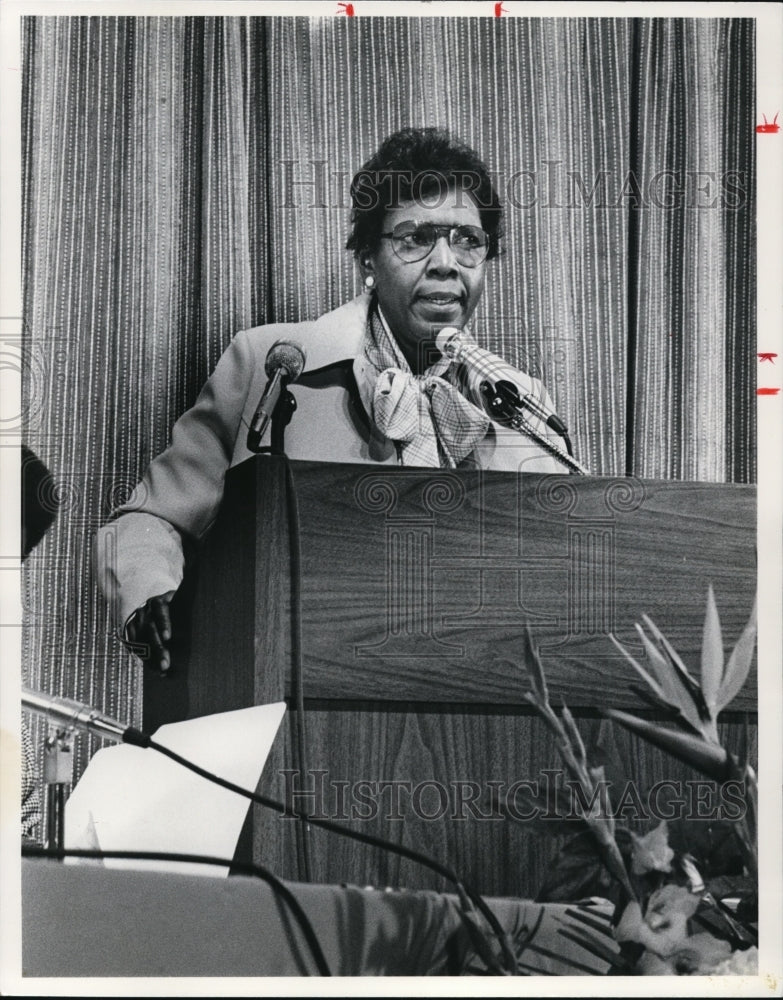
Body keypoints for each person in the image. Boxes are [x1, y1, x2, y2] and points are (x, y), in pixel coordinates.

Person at [94, 127, 567, 675]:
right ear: (367, 257)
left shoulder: (519, 404)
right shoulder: (269, 363)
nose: (446, 262)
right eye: (415, 238)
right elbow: (149, 521)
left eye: (468, 240)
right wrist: (151, 588)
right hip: (304, 692)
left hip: (476, 696)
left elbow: (562, 564)